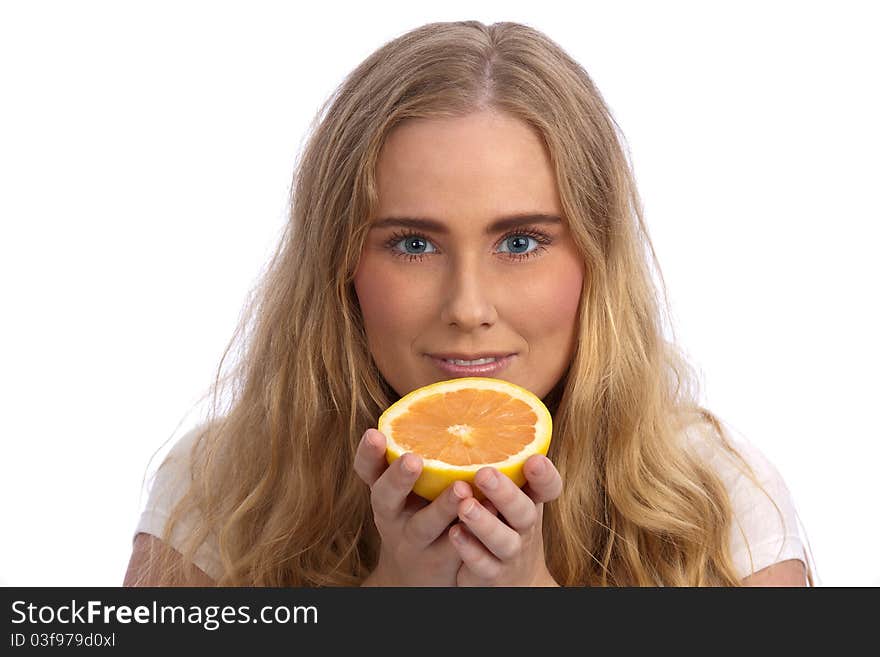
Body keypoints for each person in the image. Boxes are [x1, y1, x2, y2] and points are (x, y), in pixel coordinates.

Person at [124, 20, 816, 587]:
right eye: (413, 245)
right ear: (339, 265)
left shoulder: (720, 502)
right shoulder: (220, 493)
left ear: (595, 259)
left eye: (519, 242)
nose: (467, 306)